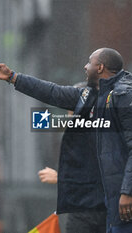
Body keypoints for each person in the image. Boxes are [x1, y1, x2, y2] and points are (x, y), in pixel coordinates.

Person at [0, 47, 132, 233]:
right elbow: (53, 92)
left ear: (99, 68)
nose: (85, 66)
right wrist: (13, 77)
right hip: (112, 203)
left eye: (89, 62)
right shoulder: (94, 94)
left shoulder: (126, 96)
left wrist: (127, 192)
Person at [38, 79, 106, 233]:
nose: (70, 116)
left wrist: (60, 178)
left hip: (102, 215)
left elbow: (101, 177)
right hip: (79, 214)